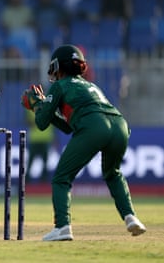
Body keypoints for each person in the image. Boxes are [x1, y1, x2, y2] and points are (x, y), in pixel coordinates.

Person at [21, 44, 146, 241]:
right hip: (120, 126)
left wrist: (36, 104)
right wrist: (45, 105)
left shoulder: (60, 85)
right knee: (113, 174)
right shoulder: (92, 86)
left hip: (94, 127)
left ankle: (62, 227)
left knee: (61, 178)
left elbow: (41, 123)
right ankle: (131, 217)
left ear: (58, 66)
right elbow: (68, 127)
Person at [25, 109, 55, 183]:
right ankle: (27, 180)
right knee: (30, 161)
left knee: (45, 162)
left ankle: (43, 181)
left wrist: (54, 139)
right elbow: (27, 121)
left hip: (46, 138)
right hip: (35, 138)